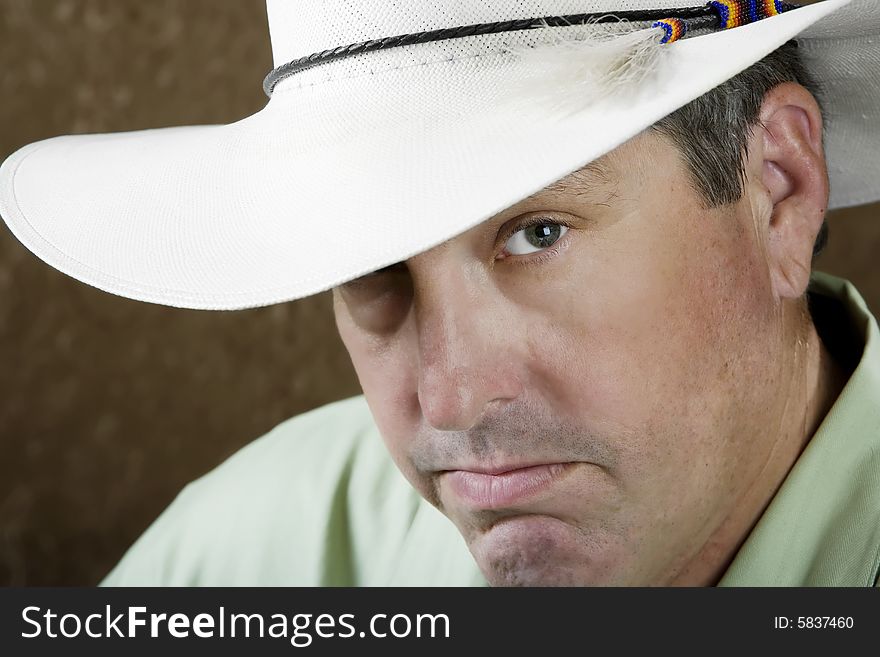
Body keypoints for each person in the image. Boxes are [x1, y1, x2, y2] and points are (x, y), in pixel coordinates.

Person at [1, 0, 878, 586]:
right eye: (373, 265)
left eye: (538, 233)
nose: (449, 399)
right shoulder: (269, 546)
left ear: (778, 188)